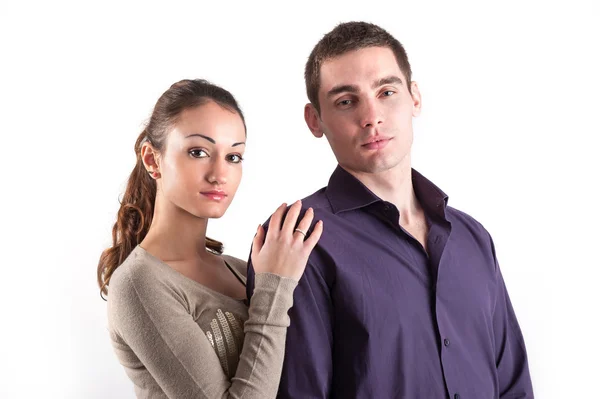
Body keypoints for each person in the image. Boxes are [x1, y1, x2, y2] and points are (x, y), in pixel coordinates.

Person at [246, 22, 533, 398]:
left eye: (386, 91)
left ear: (414, 97)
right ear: (315, 120)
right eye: (346, 101)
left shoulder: (473, 237)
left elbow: (513, 384)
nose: (372, 117)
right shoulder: (297, 239)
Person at [97, 79, 323, 398]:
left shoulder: (242, 269)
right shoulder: (139, 284)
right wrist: (274, 286)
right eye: (198, 152)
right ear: (152, 159)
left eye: (233, 157)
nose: (220, 173)